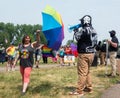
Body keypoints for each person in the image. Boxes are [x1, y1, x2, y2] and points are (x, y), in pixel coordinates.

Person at [70, 15, 97, 96]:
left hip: (83, 53)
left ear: (84, 21)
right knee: (87, 72)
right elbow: (95, 42)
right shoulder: (94, 30)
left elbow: (77, 38)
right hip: (91, 53)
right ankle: (89, 88)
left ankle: (79, 91)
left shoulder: (83, 30)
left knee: (82, 73)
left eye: (81, 21)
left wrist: (75, 31)